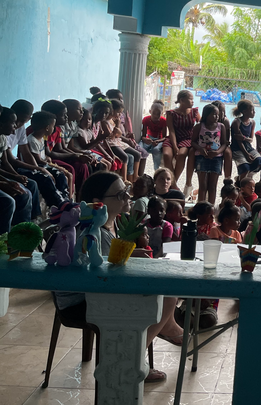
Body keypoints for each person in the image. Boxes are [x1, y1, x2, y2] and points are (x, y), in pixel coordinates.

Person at [56, 171, 184, 381]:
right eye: (120, 195)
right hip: (81, 300)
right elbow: (105, 274)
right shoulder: (93, 230)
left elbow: (109, 264)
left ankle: (166, 326)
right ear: (97, 202)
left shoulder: (112, 222)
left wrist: (131, 255)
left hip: (98, 289)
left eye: (127, 191)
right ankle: (132, 360)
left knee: (165, 290)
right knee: (167, 297)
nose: (127, 197)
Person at [9, 101, 69, 207]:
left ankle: (65, 201)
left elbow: (26, 153)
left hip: (20, 164)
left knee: (59, 174)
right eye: (16, 120)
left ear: (29, 119)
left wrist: (37, 169)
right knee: (41, 180)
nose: (17, 124)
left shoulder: (21, 129)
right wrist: (38, 169)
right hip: (13, 165)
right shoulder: (9, 129)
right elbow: (10, 160)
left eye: (22, 121)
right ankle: (59, 207)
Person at [40, 100, 92, 197]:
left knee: (83, 165)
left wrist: (78, 155)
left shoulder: (58, 129)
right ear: (54, 116)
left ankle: (83, 196)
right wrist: (75, 155)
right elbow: (49, 153)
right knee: (70, 169)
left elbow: (61, 148)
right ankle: (69, 199)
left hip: (54, 156)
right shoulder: (44, 131)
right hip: (46, 159)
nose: (66, 116)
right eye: (63, 115)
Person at [163, 90, 200, 196]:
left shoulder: (194, 112)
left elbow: (201, 125)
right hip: (173, 138)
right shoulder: (171, 114)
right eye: (190, 99)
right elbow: (171, 131)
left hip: (187, 139)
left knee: (181, 154)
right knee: (166, 155)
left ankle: (172, 183)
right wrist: (175, 147)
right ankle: (173, 184)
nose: (193, 101)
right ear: (182, 100)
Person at [191, 104, 227, 205]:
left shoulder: (221, 126)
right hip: (201, 157)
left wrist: (217, 152)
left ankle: (211, 207)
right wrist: (200, 149)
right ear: (206, 115)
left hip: (217, 158)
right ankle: (201, 207)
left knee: (212, 186)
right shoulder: (199, 127)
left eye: (218, 114)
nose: (217, 116)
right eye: (214, 114)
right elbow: (193, 141)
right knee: (202, 185)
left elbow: (224, 143)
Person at [231, 99, 261, 181]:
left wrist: (244, 138)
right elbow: (238, 141)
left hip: (248, 147)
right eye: (252, 110)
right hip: (237, 148)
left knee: (260, 161)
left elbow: (250, 139)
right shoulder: (237, 122)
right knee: (245, 167)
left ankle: (242, 179)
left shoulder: (252, 122)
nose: (254, 112)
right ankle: (241, 184)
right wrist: (246, 154)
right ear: (245, 111)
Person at [141, 99, 167, 171]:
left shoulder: (163, 121)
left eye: (158, 114)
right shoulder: (146, 119)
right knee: (142, 149)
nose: (156, 116)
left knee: (156, 150)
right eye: (154, 113)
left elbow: (165, 137)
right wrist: (145, 139)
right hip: (148, 139)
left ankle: (156, 169)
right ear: (150, 111)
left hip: (159, 140)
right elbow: (143, 136)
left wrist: (158, 141)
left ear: (162, 113)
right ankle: (140, 170)